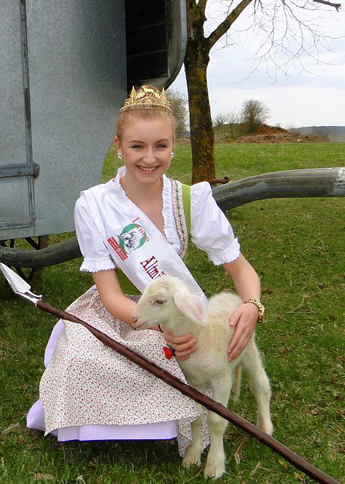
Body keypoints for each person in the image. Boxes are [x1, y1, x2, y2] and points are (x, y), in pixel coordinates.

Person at [26, 86, 265, 454]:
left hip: (173, 310)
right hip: (122, 310)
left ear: (173, 146)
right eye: (137, 146)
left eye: (161, 146)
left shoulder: (191, 200)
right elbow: (109, 295)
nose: (150, 158)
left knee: (183, 359)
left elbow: (240, 268)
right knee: (81, 360)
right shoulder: (94, 205)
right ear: (118, 145)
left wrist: (251, 305)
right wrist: (160, 330)